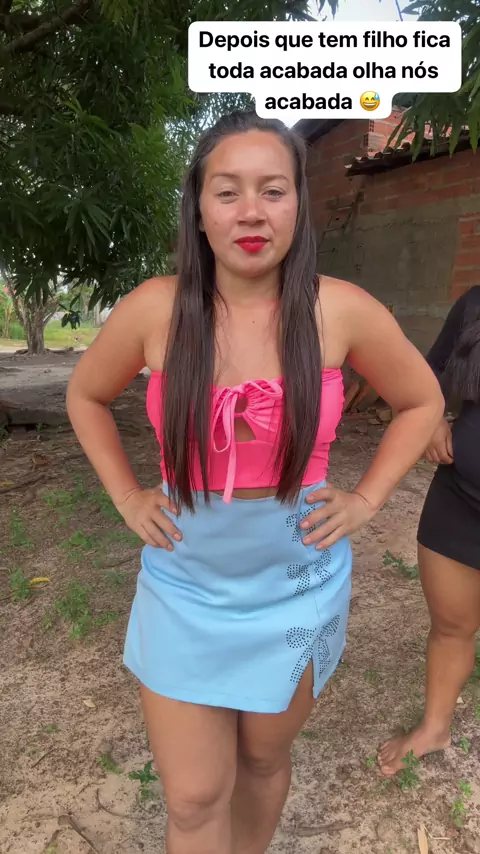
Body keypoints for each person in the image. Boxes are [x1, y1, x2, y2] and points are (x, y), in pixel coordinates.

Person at [66, 110, 443, 854]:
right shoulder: (155, 308)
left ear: (298, 204)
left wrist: (366, 499)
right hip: (185, 586)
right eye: (227, 191)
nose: (250, 212)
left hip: (295, 585)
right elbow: (85, 395)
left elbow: (421, 400)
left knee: (265, 760)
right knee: (193, 795)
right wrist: (128, 495)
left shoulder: (340, 309)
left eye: (273, 191)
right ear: (199, 208)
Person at [379, 284, 480, 776]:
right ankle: (435, 727)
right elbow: (427, 374)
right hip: (460, 500)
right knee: (452, 626)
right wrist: (435, 416)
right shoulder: (476, 303)